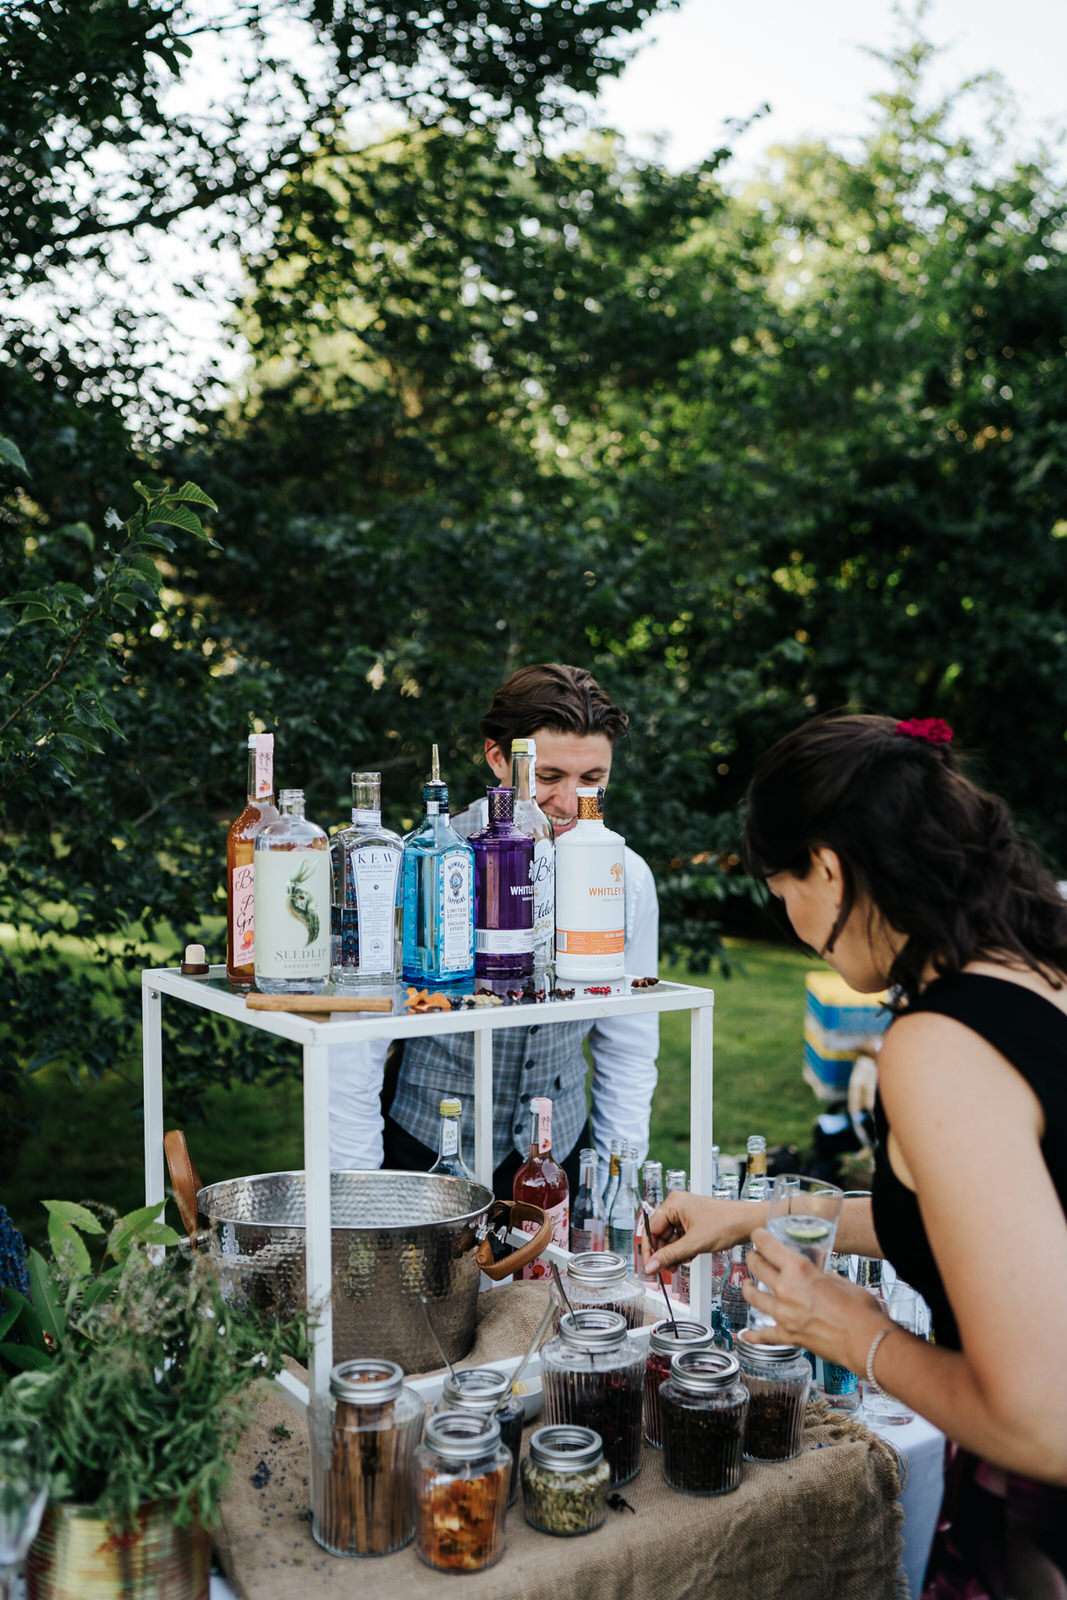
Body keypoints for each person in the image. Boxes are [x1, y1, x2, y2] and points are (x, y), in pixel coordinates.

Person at [644, 713, 1067, 1598]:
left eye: (780, 890)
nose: (791, 921)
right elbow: (990, 1218)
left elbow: (1041, 1423)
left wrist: (858, 1336)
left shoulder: (940, 1044)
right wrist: (755, 1216)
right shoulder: (1037, 963)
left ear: (827, 868)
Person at [328, 663, 659, 1199]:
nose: (571, 801)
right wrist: (357, 1189)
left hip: (558, 1152)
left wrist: (618, 1191)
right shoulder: (425, 859)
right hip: (426, 1146)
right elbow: (357, 1045)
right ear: (498, 757)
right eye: (548, 777)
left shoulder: (629, 877)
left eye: (592, 779)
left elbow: (629, 1044)